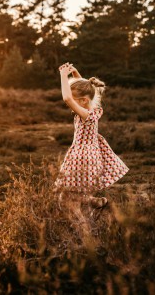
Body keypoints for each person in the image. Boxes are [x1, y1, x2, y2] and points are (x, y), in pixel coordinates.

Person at [54, 62, 129, 209]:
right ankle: (91, 205)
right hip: (91, 156)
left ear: (83, 101)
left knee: (64, 195)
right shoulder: (94, 110)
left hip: (81, 157)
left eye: (75, 100)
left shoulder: (86, 115)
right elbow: (85, 89)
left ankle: (91, 202)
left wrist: (63, 76)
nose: (71, 104)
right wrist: (75, 74)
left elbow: (67, 99)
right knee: (74, 192)